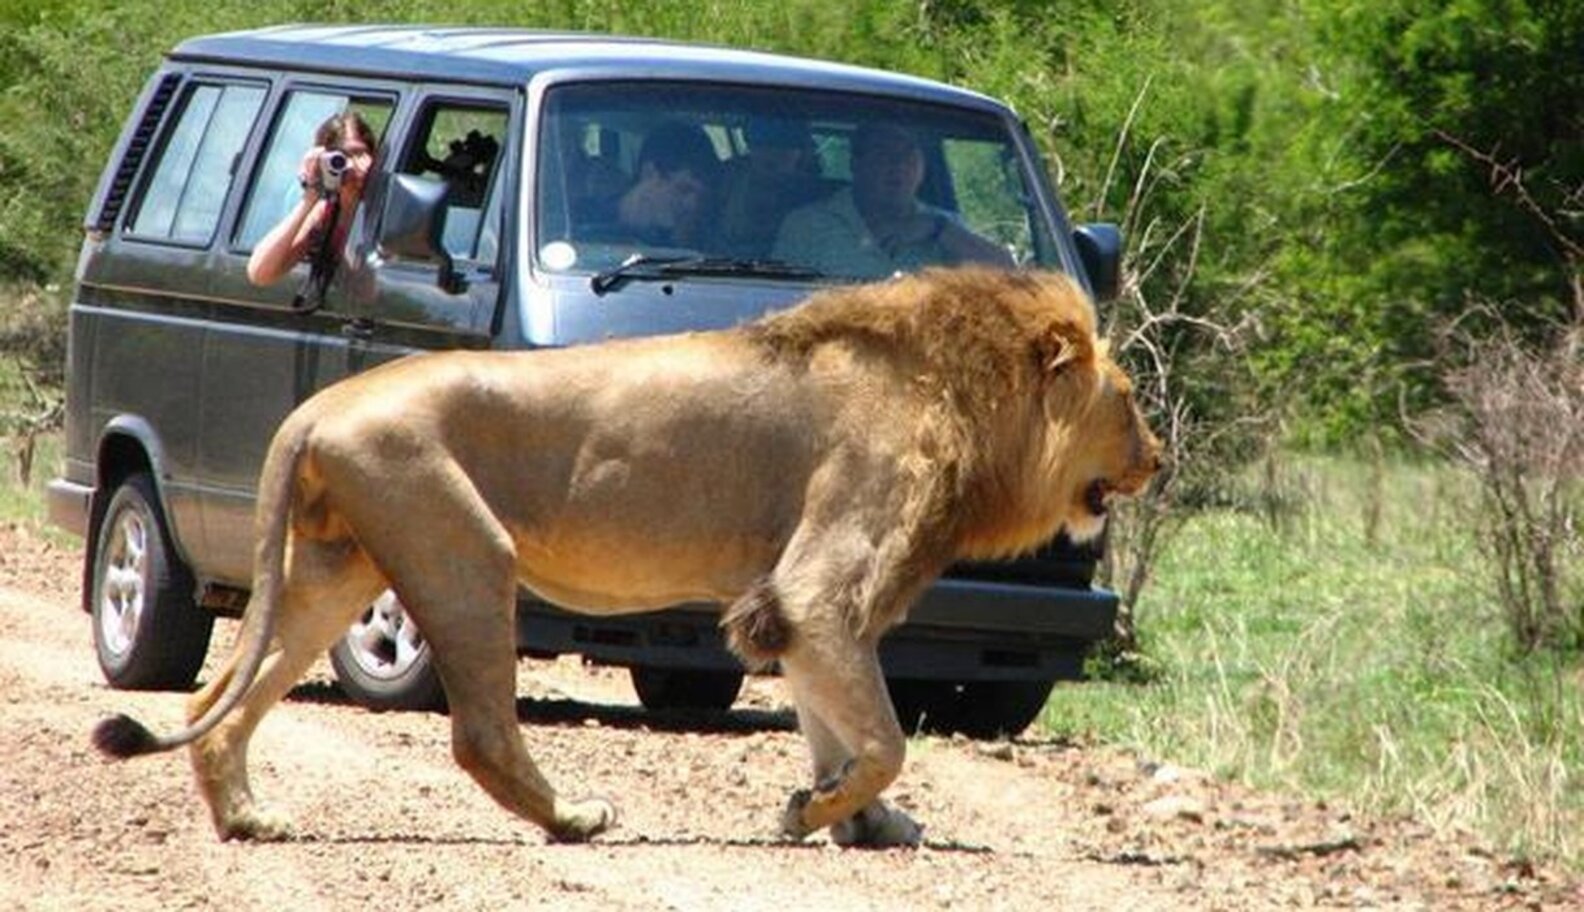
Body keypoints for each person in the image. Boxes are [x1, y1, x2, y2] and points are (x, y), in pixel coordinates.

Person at [771, 123, 1013, 278]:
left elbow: (1010, 278)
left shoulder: (943, 226)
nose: (898, 165)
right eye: (883, 154)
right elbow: (776, 297)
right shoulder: (808, 225)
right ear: (856, 164)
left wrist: (937, 230)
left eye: (908, 154)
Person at [246, 111, 377, 288]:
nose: (354, 164)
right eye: (342, 158)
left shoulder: (387, 204)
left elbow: (369, 291)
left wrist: (373, 182)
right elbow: (259, 273)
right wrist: (310, 198)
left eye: (360, 153)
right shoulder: (326, 213)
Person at [607, 120, 720, 248]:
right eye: (683, 190)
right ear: (649, 173)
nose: (695, 204)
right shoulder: (592, 225)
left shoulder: (712, 243)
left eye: (704, 195)